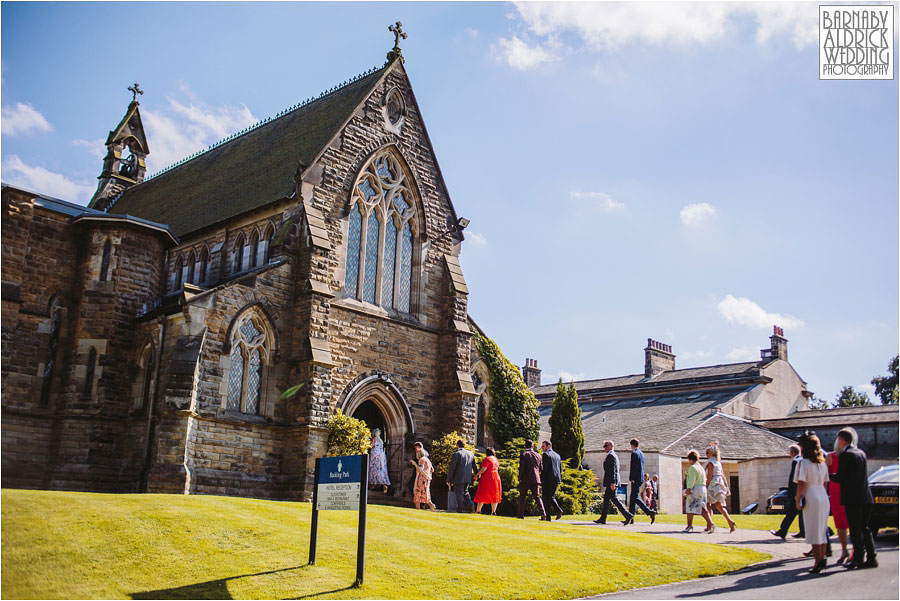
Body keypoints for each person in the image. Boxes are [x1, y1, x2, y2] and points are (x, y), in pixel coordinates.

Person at [829, 427, 877, 569]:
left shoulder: (846, 455)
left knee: (855, 530)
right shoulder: (861, 453)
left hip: (853, 498)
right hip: (865, 496)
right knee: (865, 528)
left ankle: (858, 559)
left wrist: (828, 476)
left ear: (842, 440)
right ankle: (871, 557)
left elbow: (840, 477)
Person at [796, 432, 830, 573]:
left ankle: (817, 561)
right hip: (822, 495)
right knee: (821, 529)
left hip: (811, 495)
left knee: (813, 530)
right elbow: (825, 483)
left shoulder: (803, 463)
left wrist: (797, 499)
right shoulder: (822, 464)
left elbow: (801, 483)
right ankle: (822, 558)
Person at [770, 444, 805, 540]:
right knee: (801, 513)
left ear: (792, 452)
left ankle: (783, 531)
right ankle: (802, 531)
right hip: (803, 491)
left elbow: (794, 479)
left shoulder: (796, 461)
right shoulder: (802, 460)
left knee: (791, 512)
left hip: (796, 492)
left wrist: (794, 494)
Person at [594, 440, 634, 525]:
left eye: (606, 446)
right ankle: (603, 518)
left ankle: (627, 515)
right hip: (611, 481)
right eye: (604, 446)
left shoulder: (611, 456)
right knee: (606, 500)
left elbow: (613, 470)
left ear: (611, 446)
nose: (605, 448)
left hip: (611, 482)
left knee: (614, 499)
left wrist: (612, 482)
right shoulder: (611, 455)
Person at [826, 436, 852, 564]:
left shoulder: (830, 457)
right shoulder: (850, 456)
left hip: (837, 491)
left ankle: (844, 550)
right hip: (845, 491)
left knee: (841, 524)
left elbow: (825, 477)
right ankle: (849, 550)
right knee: (847, 522)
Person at [704, 443, 736, 533]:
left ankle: (709, 524)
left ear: (711, 453)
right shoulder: (718, 462)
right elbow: (722, 475)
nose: (706, 454)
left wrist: (705, 485)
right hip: (719, 484)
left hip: (712, 484)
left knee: (707, 504)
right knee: (719, 506)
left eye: (707, 452)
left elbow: (709, 476)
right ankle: (730, 521)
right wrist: (726, 486)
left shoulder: (711, 463)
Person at [683, 449, 714, 533]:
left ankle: (689, 525)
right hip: (703, 488)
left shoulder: (692, 468)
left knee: (690, 507)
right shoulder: (701, 467)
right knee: (703, 508)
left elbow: (692, 480)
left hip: (695, 488)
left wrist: (688, 488)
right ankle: (710, 523)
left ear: (690, 458)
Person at [627, 439, 657, 524]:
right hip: (640, 478)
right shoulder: (641, 454)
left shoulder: (634, 453)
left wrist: (632, 477)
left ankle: (649, 512)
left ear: (632, 445)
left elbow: (634, 467)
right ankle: (630, 517)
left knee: (635, 498)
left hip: (635, 478)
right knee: (632, 498)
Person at [517, 439, 547, 519]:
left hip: (525, 479)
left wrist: (519, 477)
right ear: (533, 446)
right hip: (536, 479)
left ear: (525, 446)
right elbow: (541, 468)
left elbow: (522, 468)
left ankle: (520, 515)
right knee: (537, 497)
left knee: (522, 496)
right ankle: (543, 513)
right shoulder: (538, 455)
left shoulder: (524, 454)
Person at [447, 439, 476, 513]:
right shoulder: (471, 454)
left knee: (459, 493)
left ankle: (459, 510)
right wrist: (477, 474)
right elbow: (474, 466)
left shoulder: (457, 454)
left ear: (457, 445)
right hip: (467, 477)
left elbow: (452, 468)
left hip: (458, 477)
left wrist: (448, 479)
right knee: (465, 492)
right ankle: (471, 504)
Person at [473, 447, 502, 515]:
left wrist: (477, 474)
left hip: (488, 477)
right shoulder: (495, 459)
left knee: (483, 492)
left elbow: (484, 468)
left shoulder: (487, 459)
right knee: (495, 493)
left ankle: (478, 511)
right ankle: (493, 511)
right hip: (496, 477)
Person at [540, 440, 564, 520]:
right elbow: (560, 468)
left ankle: (548, 517)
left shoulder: (546, 455)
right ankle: (558, 510)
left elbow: (545, 469)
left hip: (548, 479)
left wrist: (541, 479)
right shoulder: (558, 455)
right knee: (551, 497)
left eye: (543, 446)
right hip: (556, 479)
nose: (542, 448)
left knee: (546, 498)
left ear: (548, 446)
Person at [367, 428, 390, 493]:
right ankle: (384, 484)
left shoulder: (374, 439)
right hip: (381, 455)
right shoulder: (381, 440)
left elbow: (371, 446)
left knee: (373, 469)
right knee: (381, 469)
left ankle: (373, 485)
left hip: (375, 455)